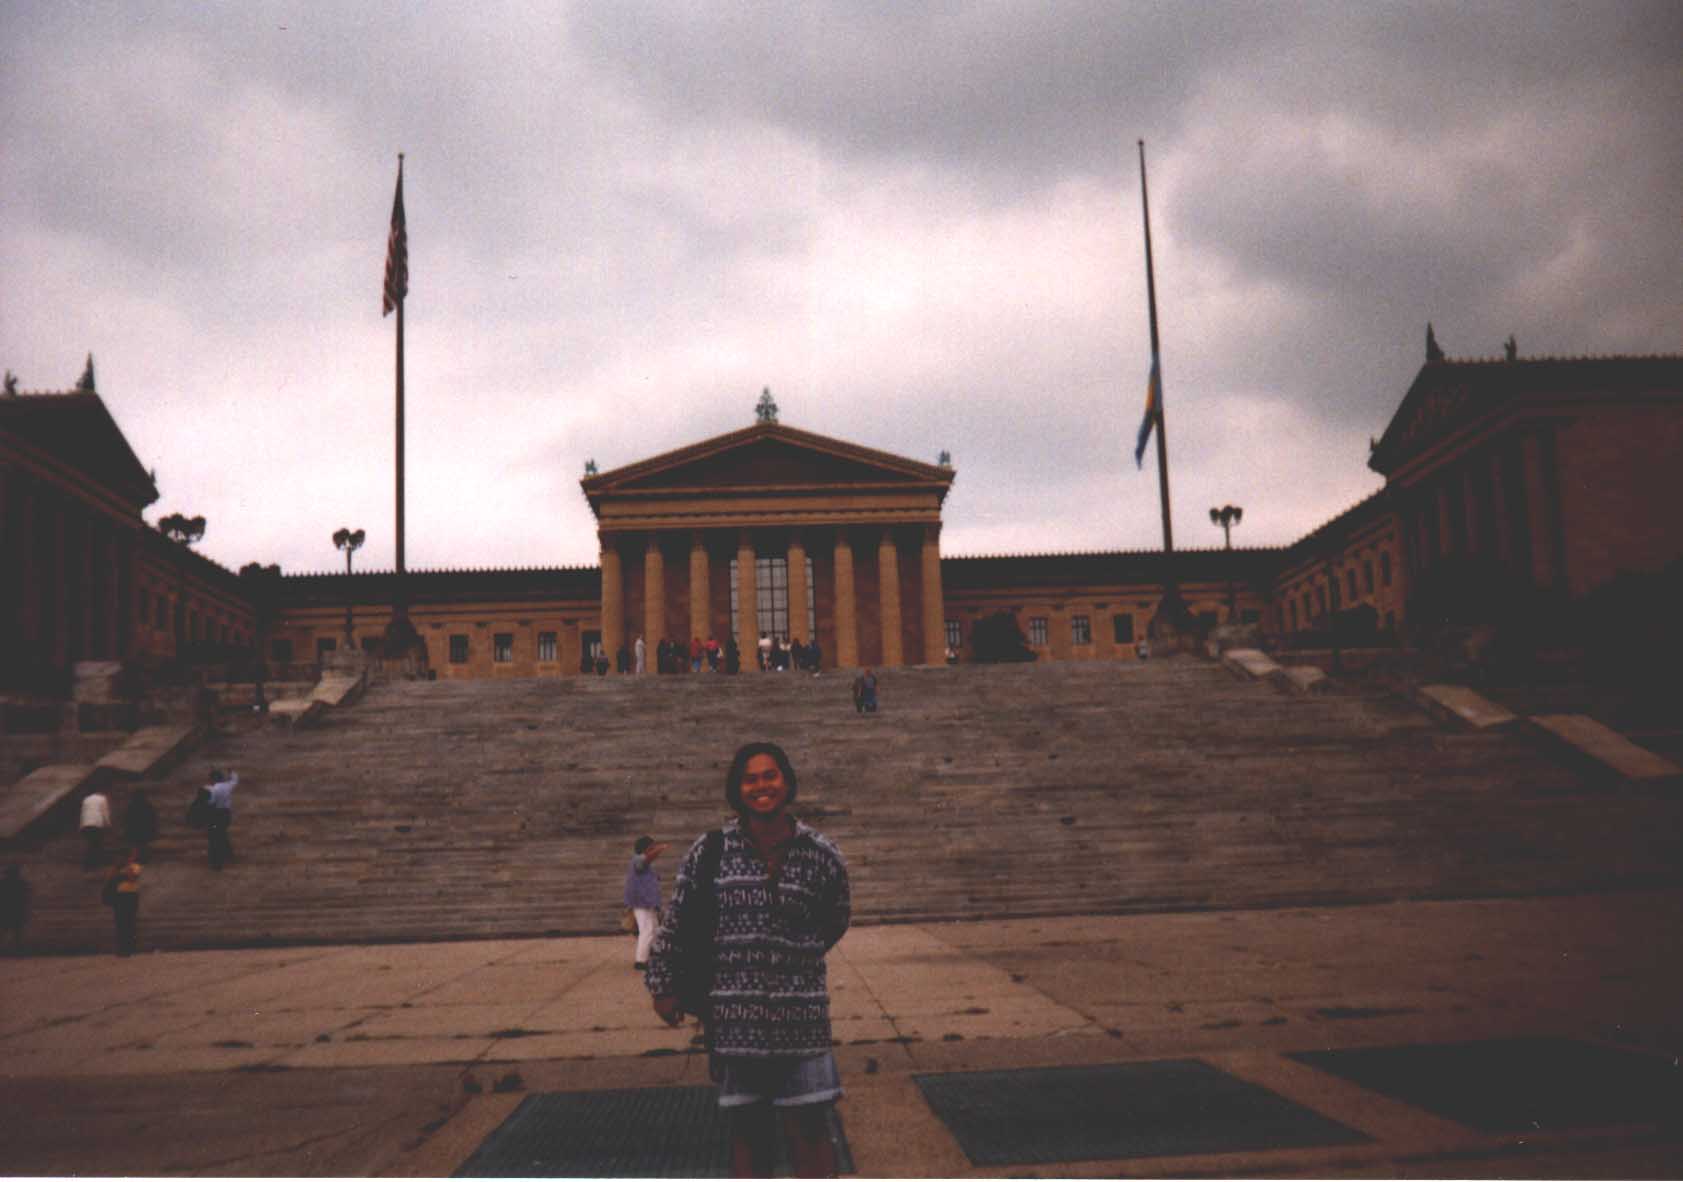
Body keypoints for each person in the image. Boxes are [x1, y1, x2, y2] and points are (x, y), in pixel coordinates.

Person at [646, 742, 850, 1178]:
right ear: (738, 790)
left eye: (770, 775)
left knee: (811, 1130)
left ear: (787, 782)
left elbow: (834, 920)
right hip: (736, 1022)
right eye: (750, 778)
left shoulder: (820, 854)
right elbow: (678, 922)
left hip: (802, 1022)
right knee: (748, 1135)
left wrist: (788, 958)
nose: (762, 786)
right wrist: (663, 984)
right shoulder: (710, 851)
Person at [623, 835, 669, 970]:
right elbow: (647, 858)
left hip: (647, 902)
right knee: (647, 930)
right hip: (641, 902)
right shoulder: (637, 860)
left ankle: (652, 956)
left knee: (653, 929)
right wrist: (659, 849)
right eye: (651, 847)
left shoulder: (644, 864)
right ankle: (641, 960)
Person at [105, 849, 142, 956]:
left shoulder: (135, 867)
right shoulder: (116, 868)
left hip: (131, 896)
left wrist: (126, 868)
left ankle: (129, 948)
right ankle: (121, 948)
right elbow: (109, 879)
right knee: (120, 923)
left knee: (130, 922)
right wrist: (118, 871)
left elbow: (132, 878)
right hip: (119, 896)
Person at [205, 768, 239, 870]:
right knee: (222, 833)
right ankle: (229, 855)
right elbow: (235, 780)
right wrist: (232, 772)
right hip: (226, 814)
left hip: (216, 814)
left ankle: (216, 862)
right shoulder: (227, 786)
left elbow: (210, 803)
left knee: (214, 838)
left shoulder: (213, 789)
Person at [80, 789, 112, 869]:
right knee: (96, 844)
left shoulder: (86, 799)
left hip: (86, 823)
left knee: (92, 842)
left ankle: (92, 863)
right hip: (97, 823)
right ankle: (91, 864)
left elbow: (83, 812)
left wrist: (81, 825)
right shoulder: (102, 799)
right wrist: (108, 823)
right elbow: (105, 812)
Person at [123, 789, 158, 864]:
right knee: (143, 844)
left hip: (134, 828)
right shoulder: (148, 806)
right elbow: (153, 818)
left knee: (135, 844)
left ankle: (136, 857)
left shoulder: (131, 806)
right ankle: (144, 858)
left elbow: (127, 818)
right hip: (145, 828)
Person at [0, 864, 29, 952]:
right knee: (17, 933)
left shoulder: (3, 883)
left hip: (6, 911)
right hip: (16, 911)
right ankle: (18, 950)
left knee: (4, 931)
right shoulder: (21, 884)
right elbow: (25, 899)